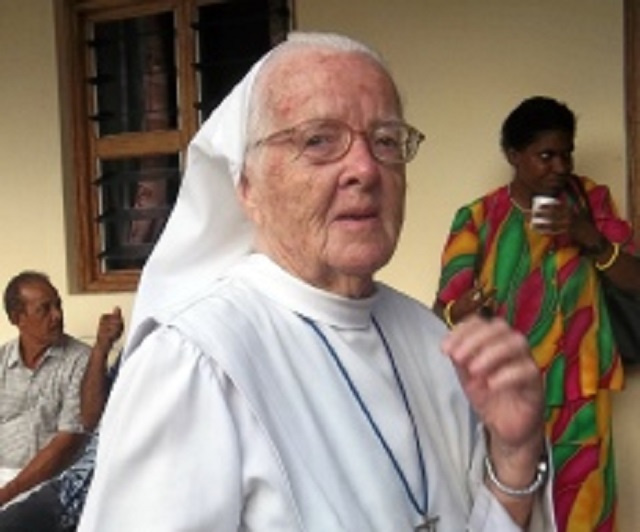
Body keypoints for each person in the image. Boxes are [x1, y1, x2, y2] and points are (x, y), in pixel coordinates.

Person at [79, 32, 554, 531]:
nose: (366, 169)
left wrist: (515, 458)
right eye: (319, 140)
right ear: (247, 187)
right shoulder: (196, 361)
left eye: (386, 140)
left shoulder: (435, 341)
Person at [434, 96, 640, 531]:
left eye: (566, 154)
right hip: (505, 392)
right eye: (546, 155)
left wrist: (588, 235)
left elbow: (634, 280)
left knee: (584, 512)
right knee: (512, 510)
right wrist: (465, 308)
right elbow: (443, 315)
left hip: (580, 391)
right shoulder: (477, 218)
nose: (559, 167)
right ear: (514, 156)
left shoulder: (592, 201)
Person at [0, 270, 123, 518]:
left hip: (45, 482)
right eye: (44, 309)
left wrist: (6, 494)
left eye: (58, 305)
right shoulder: (3, 359)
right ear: (17, 318)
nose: (57, 315)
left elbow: (68, 442)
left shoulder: (82, 361)